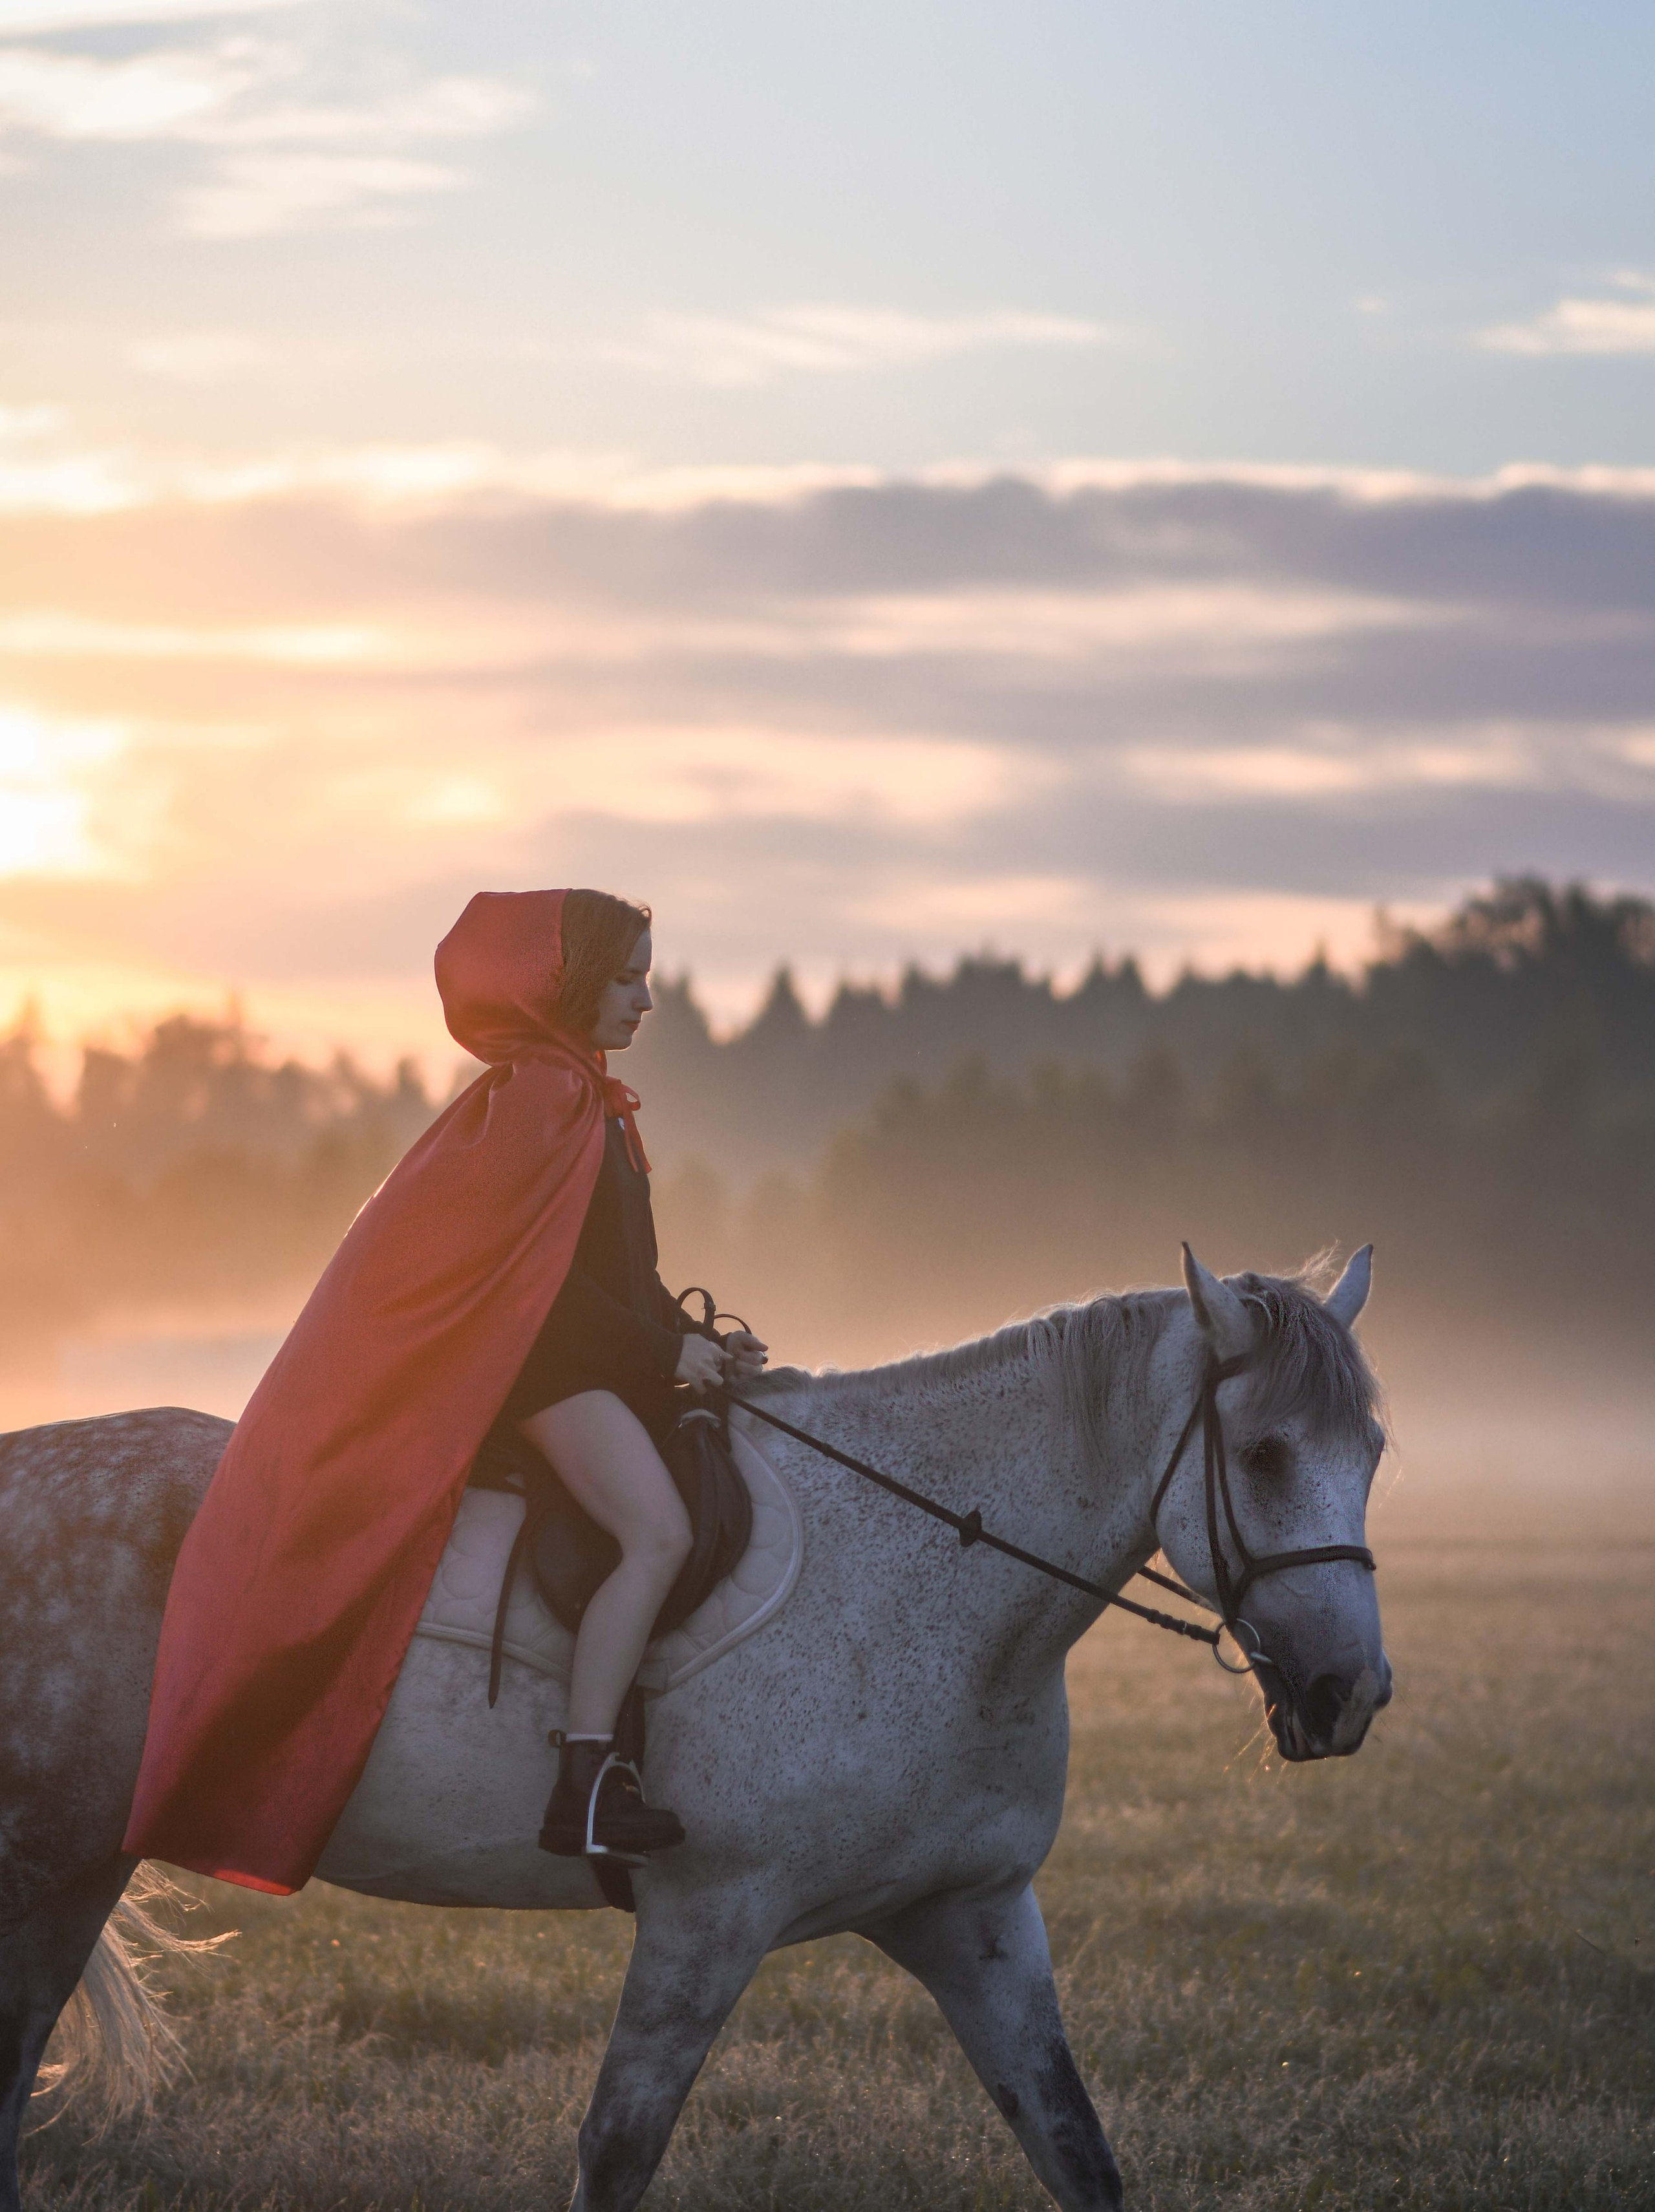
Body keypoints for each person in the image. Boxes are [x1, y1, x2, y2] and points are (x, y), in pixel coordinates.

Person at [493, 891, 768, 1859]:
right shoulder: (544, 1096)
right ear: (573, 984)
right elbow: (541, 1283)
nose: (645, 1001)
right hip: (547, 1375)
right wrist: (660, 1355)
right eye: (625, 978)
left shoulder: (593, 1098)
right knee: (658, 1534)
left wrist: (699, 1339)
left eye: (646, 978)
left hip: (593, 1364)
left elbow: (628, 1278)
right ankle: (585, 1788)